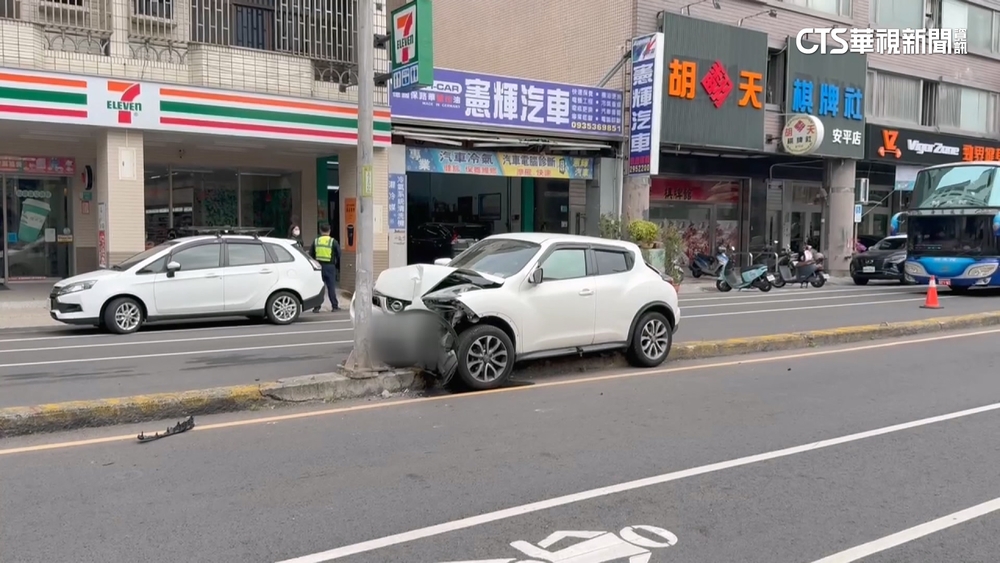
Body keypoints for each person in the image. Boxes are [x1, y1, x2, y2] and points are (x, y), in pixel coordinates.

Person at [310, 223, 341, 312]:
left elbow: (311, 254)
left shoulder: (316, 241)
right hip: (330, 267)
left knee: (319, 287)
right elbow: (339, 254)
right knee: (331, 287)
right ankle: (334, 306)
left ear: (320, 231)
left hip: (318, 267)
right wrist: (336, 264)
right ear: (329, 231)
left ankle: (316, 307)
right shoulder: (333, 241)